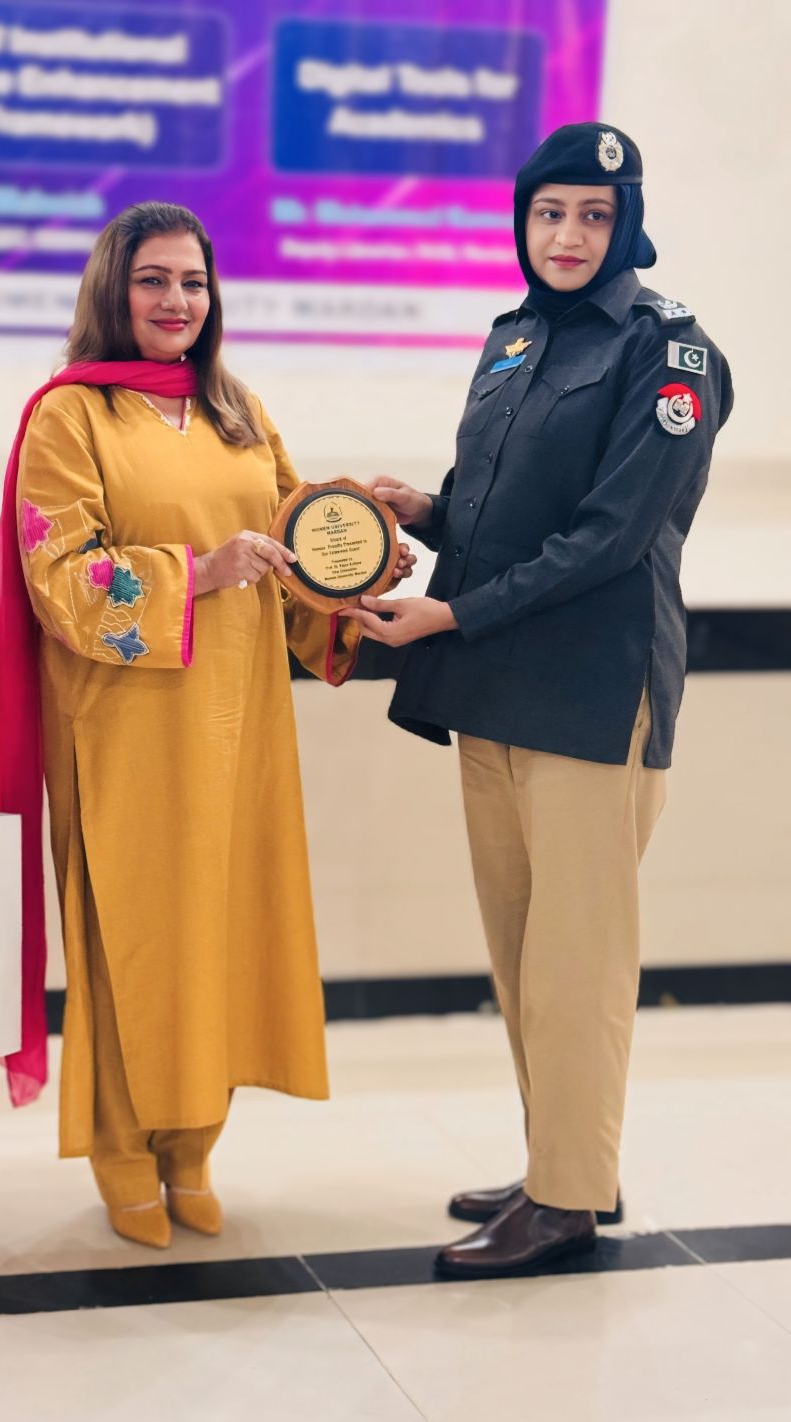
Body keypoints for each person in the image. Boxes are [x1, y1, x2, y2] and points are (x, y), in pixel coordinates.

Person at [0, 201, 412, 1248]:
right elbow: (57, 574)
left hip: (239, 724)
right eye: (154, 280)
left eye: (193, 282)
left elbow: (295, 545)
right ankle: (124, 1153)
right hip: (124, 727)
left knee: (221, 929)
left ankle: (193, 1146)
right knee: (135, 936)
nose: (177, 301)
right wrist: (200, 572)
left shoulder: (237, 411)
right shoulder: (70, 417)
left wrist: (358, 565)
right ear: (112, 290)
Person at [343, 124, 733, 1275]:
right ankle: (561, 1163)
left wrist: (450, 614)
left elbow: (608, 538)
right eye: (548, 212)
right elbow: (496, 503)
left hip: (590, 693)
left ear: (626, 225)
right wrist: (419, 512)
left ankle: (564, 1201)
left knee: (576, 965)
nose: (566, 235)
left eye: (593, 216)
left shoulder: (670, 352)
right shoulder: (514, 337)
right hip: (493, 688)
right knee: (521, 957)